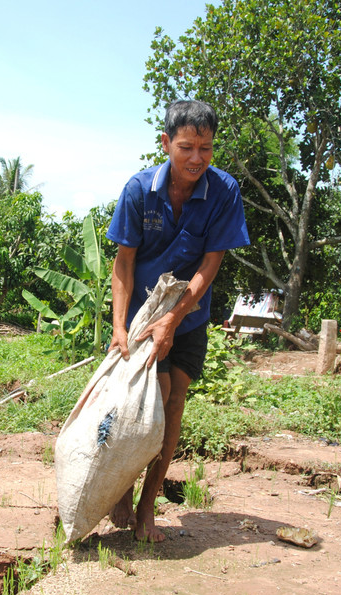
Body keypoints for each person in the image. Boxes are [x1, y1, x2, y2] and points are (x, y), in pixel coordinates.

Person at [105, 99, 250, 542]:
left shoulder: (224, 191)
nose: (196, 158)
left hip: (188, 320)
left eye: (205, 148)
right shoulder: (138, 190)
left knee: (172, 408)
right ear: (166, 143)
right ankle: (121, 487)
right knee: (146, 408)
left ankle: (148, 505)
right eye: (186, 147)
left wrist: (175, 318)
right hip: (141, 321)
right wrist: (118, 327)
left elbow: (211, 264)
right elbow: (123, 264)